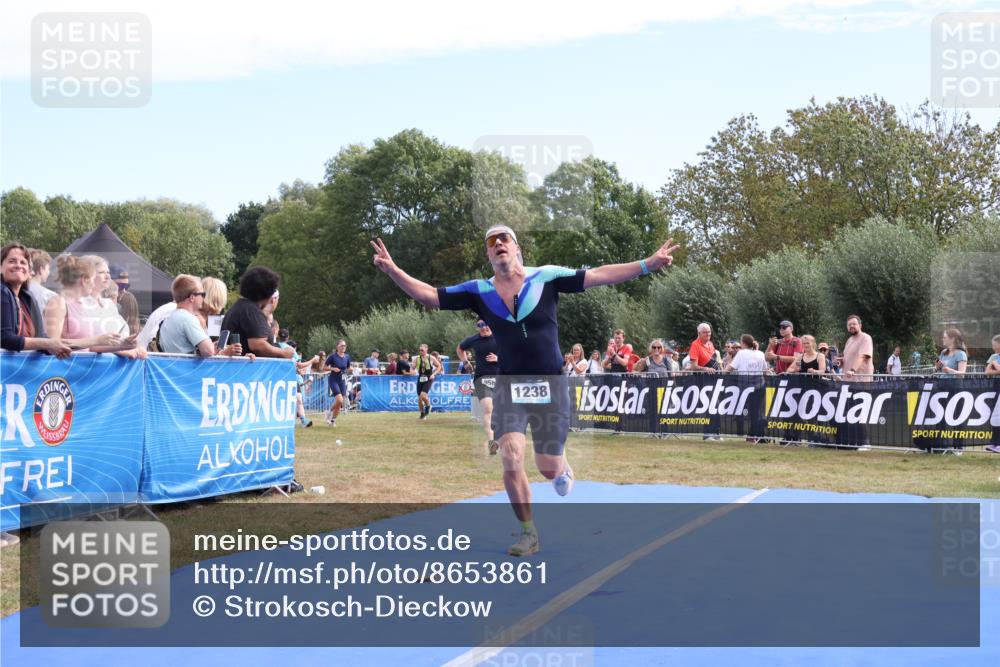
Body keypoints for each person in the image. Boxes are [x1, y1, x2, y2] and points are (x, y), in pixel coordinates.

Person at [371, 225, 679, 556]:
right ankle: (528, 533)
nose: (499, 243)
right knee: (510, 455)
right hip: (510, 386)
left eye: (505, 239)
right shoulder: (479, 291)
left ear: (517, 248)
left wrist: (647, 264)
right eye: (492, 242)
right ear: (489, 255)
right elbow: (429, 296)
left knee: (547, 468)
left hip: (552, 384)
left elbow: (599, 274)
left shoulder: (545, 277)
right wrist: (393, 270)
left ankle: (561, 466)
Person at [44, 254, 138, 355]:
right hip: (68, 368)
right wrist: (97, 340)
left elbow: (90, 348)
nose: (93, 284)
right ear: (84, 280)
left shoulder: (81, 305)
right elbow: (52, 346)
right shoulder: (58, 302)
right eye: (93, 279)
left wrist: (123, 345)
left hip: (88, 368)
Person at [1, 243, 71, 357]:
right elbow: (4, 338)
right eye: (12, 261)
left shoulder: (27, 298)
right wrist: (48, 344)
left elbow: (40, 338)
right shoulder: (2, 291)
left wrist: (57, 348)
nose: (18, 265)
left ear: (29, 271)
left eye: (23, 262)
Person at [159, 275, 243, 357]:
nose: (204, 298)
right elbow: (208, 351)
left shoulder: (168, 319)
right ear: (192, 297)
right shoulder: (188, 319)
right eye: (202, 294)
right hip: (189, 369)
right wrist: (224, 352)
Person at [220, 267, 294, 359]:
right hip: (248, 370)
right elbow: (257, 345)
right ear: (267, 292)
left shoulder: (240, 307)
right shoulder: (251, 310)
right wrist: (282, 353)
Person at [458, 320, 501, 452]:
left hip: (501, 378)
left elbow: (515, 353)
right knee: (488, 409)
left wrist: (499, 358)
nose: (484, 328)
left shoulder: (501, 336)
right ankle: (492, 442)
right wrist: (465, 362)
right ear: (477, 328)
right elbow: (460, 348)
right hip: (481, 378)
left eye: (486, 324)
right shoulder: (473, 340)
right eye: (480, 326)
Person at [724, 333, 769, 443]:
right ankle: (757, 435)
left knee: (745, 411)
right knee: (757, 411)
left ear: (743, 343)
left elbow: (730, 368)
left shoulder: (741, 353)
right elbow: (765, 370)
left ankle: (752, 435)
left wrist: (721, 374)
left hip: (745, 386)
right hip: (760, 385)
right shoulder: (760, 353)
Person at [840, 314, 874, 451]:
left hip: (861, 381)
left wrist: (853, 369)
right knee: (850, 412)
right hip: (848, 382)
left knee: (861, 412)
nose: (851, 326)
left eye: (854, 324)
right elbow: (849, 358)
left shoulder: (866, 338)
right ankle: (854, 441)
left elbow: (862, 356)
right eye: (849, 324)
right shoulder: (849, 340)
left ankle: (865, 442)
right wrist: (842, 362)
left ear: (860, 325)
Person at [689, 323, 722, 440]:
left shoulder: (711, 344)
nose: (708, 334)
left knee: (717, 405)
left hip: (715, 378)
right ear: (699, 333)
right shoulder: (695, 345)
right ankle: (707, 434)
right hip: (704, 379)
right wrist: (706, 368)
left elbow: (714, 361)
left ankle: (716, 433)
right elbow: (693, 366)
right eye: (705, 332)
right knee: (711, 405)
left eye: (709, 332)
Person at [324, 339, 351, 426]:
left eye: (345, 346)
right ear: (337, 347)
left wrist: (350, 369)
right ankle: (329, 412)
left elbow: (348, 368)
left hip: (342, 381)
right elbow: (324, 367)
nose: (344, 347)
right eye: (342, 345)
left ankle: (332, 421)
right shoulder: (332, 356)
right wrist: (332, 368)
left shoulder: (347, 357)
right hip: (333, 380)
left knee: (339, 404)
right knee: (339, 400)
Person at [413, 343, 442, 420]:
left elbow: (439, 366)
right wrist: (412, 368)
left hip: (429, 378)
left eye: (422, 350)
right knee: (419, 398)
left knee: (423, 395)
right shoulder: (417, 358)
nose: (421, 351)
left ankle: (428, 405)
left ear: (426, 349)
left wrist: (434, 374)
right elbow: (413, 366)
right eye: (420, 350)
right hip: (420, 377)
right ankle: (422, 414)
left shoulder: (431, 357)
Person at [26, 248, 58, 314]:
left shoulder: (15, 289)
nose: (49, 272)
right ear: (41, 269)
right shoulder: (49, 296)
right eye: (48, 269)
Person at [985, 334, 1000, 453]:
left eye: (995, 345)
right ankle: (994, 442)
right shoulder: (993, 356)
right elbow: (987, 372)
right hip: (995, 386)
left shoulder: (994, 359)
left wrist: (995, 364)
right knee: (995, 417)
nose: (993, 348)